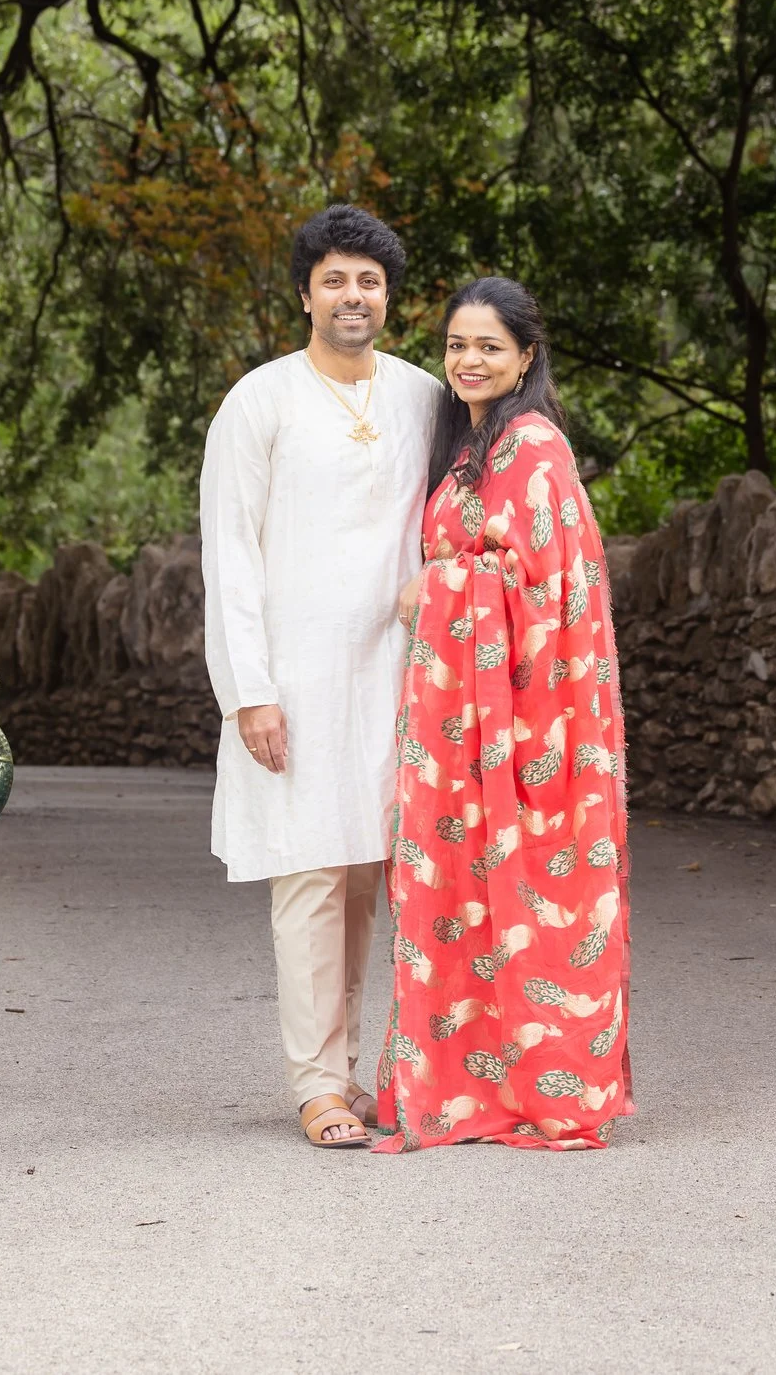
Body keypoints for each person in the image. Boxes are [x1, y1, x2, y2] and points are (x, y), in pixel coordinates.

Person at [201, 205, 445, 1148]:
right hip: (294, 680)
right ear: (305, 293)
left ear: (389, 297)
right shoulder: (259, 401)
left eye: (370, 282)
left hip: (394, 677)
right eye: (336, 279)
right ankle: (318, 1084)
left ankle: (354, 1068)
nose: (354, 296)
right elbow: (229, 554)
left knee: (367, 878)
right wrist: (248, 689)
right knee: (308, 874)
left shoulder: (423, 396)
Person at [375, 275, 632, 1151]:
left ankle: (540, 1085)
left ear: (526, 355)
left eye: (488, 345)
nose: (468, 359)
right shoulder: (469, 447)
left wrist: (438, 582)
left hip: (523, 720)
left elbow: (541, 588)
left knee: (525, 884)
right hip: (454, 721)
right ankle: (461, 1079)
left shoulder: (534, 448)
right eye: (456, 344)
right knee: (457, 889)